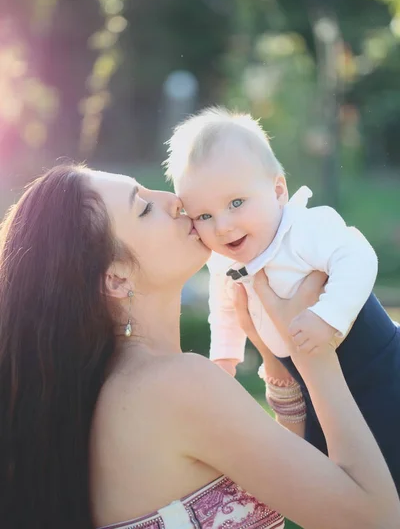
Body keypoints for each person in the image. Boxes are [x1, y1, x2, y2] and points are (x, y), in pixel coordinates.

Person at [0, 164, 399, 529]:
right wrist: (313, 354)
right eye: (143, 208)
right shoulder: (175, 384)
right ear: (117, 280)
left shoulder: (113, 391)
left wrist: (275, 363)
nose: (174, 203)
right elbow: (376, 518)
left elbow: (296, 482)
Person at [164, 106, 400, 486]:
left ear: (277, 191)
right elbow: (224, 310)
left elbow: (358, 257)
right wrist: (224, 358)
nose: (223, 226)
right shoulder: (226, 264)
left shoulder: (305, 228)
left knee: (389, 463)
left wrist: (328, 316)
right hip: (310, 387)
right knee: (335, 478)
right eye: (204, 216)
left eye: (236, 203)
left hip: (377, 368)